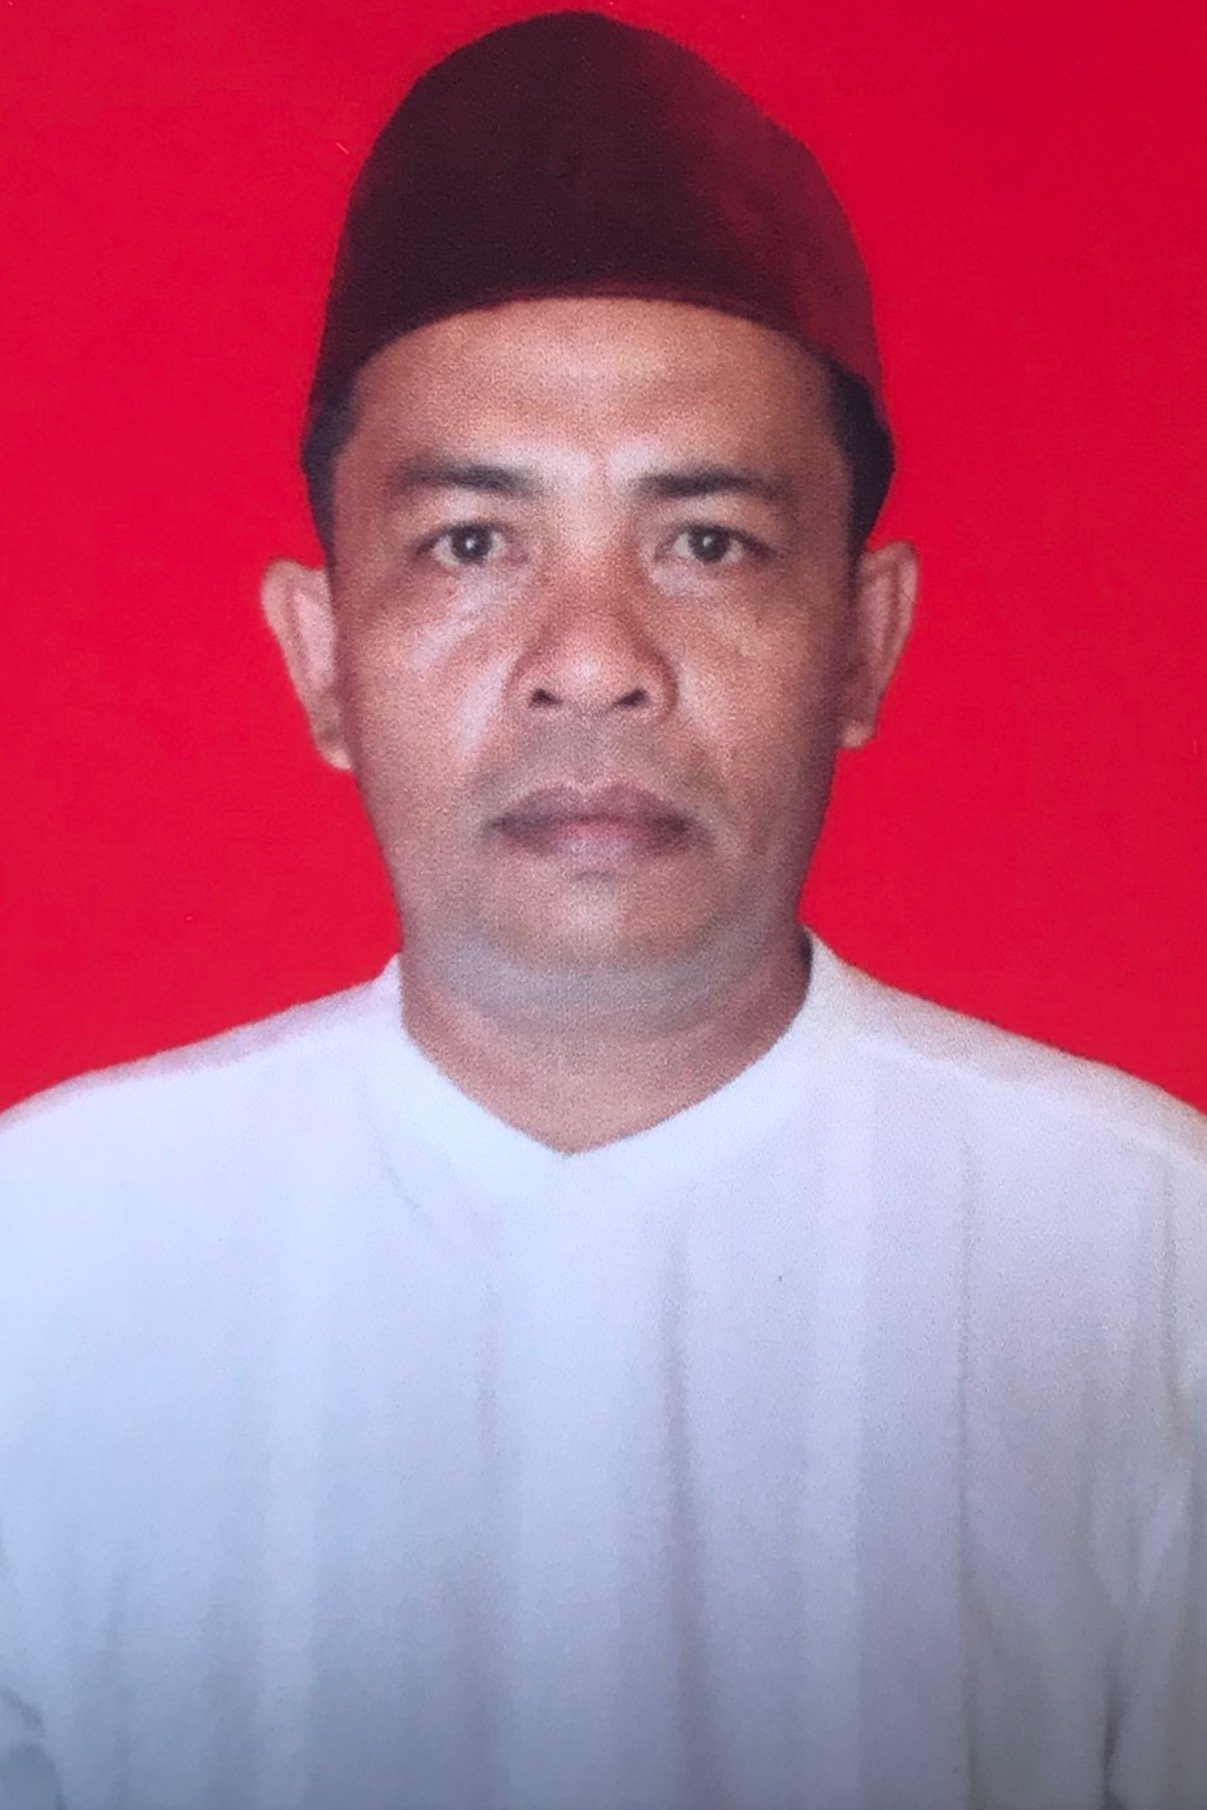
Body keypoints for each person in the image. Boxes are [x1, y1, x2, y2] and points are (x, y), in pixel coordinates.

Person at [1, 10, 1204, 1808]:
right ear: (322, 659)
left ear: (863, 639)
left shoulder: (1150, 1266)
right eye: (472, 543)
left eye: (704, 541)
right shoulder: (48, 1263)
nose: (590, 662)